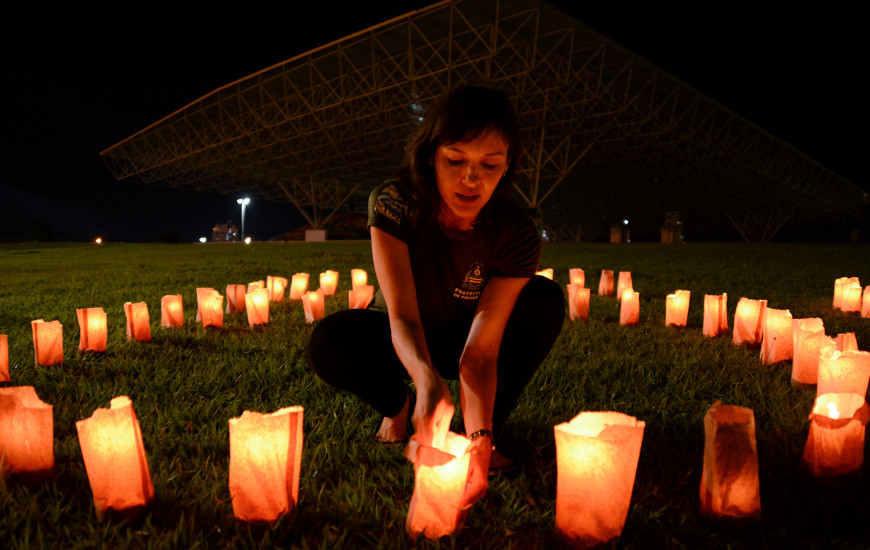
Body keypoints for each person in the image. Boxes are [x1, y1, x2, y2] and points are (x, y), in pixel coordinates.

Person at [307, 84, 564, 509]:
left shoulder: (515, 233)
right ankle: (399, 406)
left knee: (543, 299)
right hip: (406, 334)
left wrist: (481, 436)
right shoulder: (395, 203)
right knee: (329, 342)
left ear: (507, 168)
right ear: (431, 157)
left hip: (466, 335)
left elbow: (482, 351)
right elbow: (403, 316)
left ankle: (480, 436)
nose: (471, 179)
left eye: (490, 164)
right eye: (456, 160)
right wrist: (425, 382)